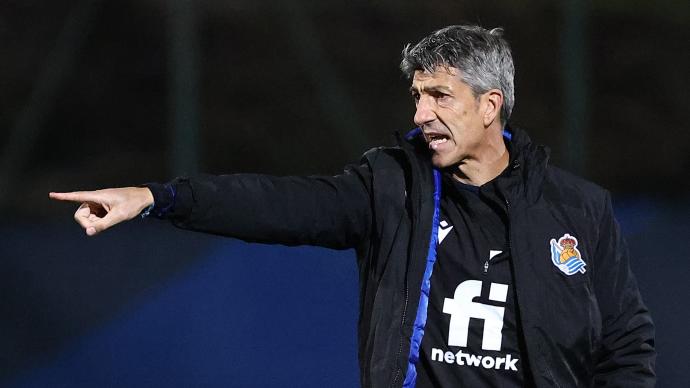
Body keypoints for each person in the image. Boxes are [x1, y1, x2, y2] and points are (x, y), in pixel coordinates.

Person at [50, 25, 655, 387]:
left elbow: (625, 343)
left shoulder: (579, 209)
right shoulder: (392, 188)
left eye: (440, 96)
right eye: (417, 96)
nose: (421, 115)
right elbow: (281, 204)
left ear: (490, 104)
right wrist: (159, 198)